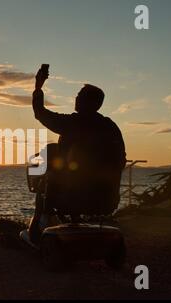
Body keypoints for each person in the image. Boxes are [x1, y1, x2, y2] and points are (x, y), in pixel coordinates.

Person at [28, 66, 126, 243]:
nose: (76, 97)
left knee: (45, 177)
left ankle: (37, 227)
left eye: (80, 95)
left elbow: (40, 113)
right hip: (105, 198)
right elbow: (120, 161)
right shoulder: (110, 126)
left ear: (87, 102)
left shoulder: (73, 123)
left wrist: (38, 86)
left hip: (72, 195)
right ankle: (74, 218)